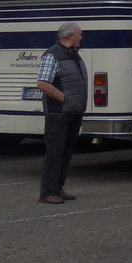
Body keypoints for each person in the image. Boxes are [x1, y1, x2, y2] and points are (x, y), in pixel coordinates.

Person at [35, 22, 87, 204]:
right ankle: (47, 192)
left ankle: (58, 188)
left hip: (73, 112)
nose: (82, 37)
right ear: (71, 36)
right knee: (55, 153)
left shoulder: (73, 55)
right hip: (58, 114)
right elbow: (42, 83)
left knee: (66, 152)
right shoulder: (52, 55)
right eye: (80, 34)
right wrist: (64, 98)